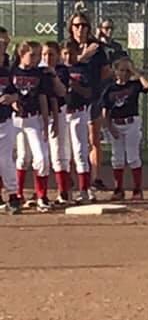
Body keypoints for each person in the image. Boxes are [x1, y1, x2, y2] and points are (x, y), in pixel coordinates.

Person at [68, 13, 111, 191]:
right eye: (77, 25)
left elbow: (106, 72)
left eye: (84, 25)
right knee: (71, 140)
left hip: (91, 97)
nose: (80, 29)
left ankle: (95, 177)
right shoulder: (68, 46)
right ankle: (70, 176)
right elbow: (64, 64)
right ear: (71, 28)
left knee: (93, 139)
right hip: (71, 99)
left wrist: (95, 87)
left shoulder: (97, 48)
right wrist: (82, 57)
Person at [102, 56, 148, 202]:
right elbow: (105, 111)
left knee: (132, 157)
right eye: (121, 70)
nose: (125, 73)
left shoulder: (134, 85)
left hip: (131, 123)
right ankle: (118, 189)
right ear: (115, 71)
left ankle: (137, 190)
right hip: (115, 124)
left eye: (127, 71)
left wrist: (136, 71)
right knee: (117, 158)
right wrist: (110, 127)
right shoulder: (110, 89)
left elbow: (147, 86)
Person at [13, 40, 52, 211]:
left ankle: (42, 196)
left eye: (38, 54)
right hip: (13, 119)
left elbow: (43, 97)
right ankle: (18, 194)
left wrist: (45, 121)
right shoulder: (11, 72)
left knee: (42, 157)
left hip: (32, 119)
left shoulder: (39, 74)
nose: (36, 58)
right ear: (22, 54)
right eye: (32, 54)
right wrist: (12, 103)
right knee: (21, 158)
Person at [62, 42, 95, 203]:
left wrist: (75, 85)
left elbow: (88, 92)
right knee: (64, 154)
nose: (69, 57)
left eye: (72, 53)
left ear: (78, 53)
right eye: (66, 53)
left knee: (80, 152)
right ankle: (65, 190)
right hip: (62, 114)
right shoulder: (58, 70)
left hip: (78, 113)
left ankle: (84, 190)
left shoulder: (83, 70)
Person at [41, 41, 73, 205]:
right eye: (44, 54)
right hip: (38, 114)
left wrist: (52, 74)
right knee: (37, 156)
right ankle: (40, 195)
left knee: (59, 152)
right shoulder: (36, 71)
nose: (47, 58)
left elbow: (62, 92)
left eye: (51, 54)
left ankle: (63, 193)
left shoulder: (61, 71)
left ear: (58, 55)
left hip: (57, 113)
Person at [0, 53, 19, 214]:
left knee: (5, 160)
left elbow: (16, 94)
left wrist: (11, 97)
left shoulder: (6, 74)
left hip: (4, 122)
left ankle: (13, 195)